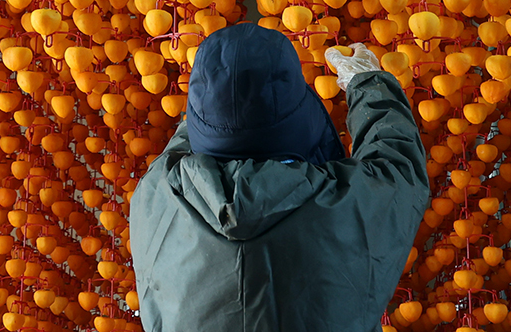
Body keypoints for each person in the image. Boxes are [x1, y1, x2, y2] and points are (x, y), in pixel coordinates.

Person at [130, 23, 430, 332]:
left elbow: (188, 140)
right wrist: (367, 82)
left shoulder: (155, 197)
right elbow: (398, 167)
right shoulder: (337, 203)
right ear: (299, 117)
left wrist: (216, 99)